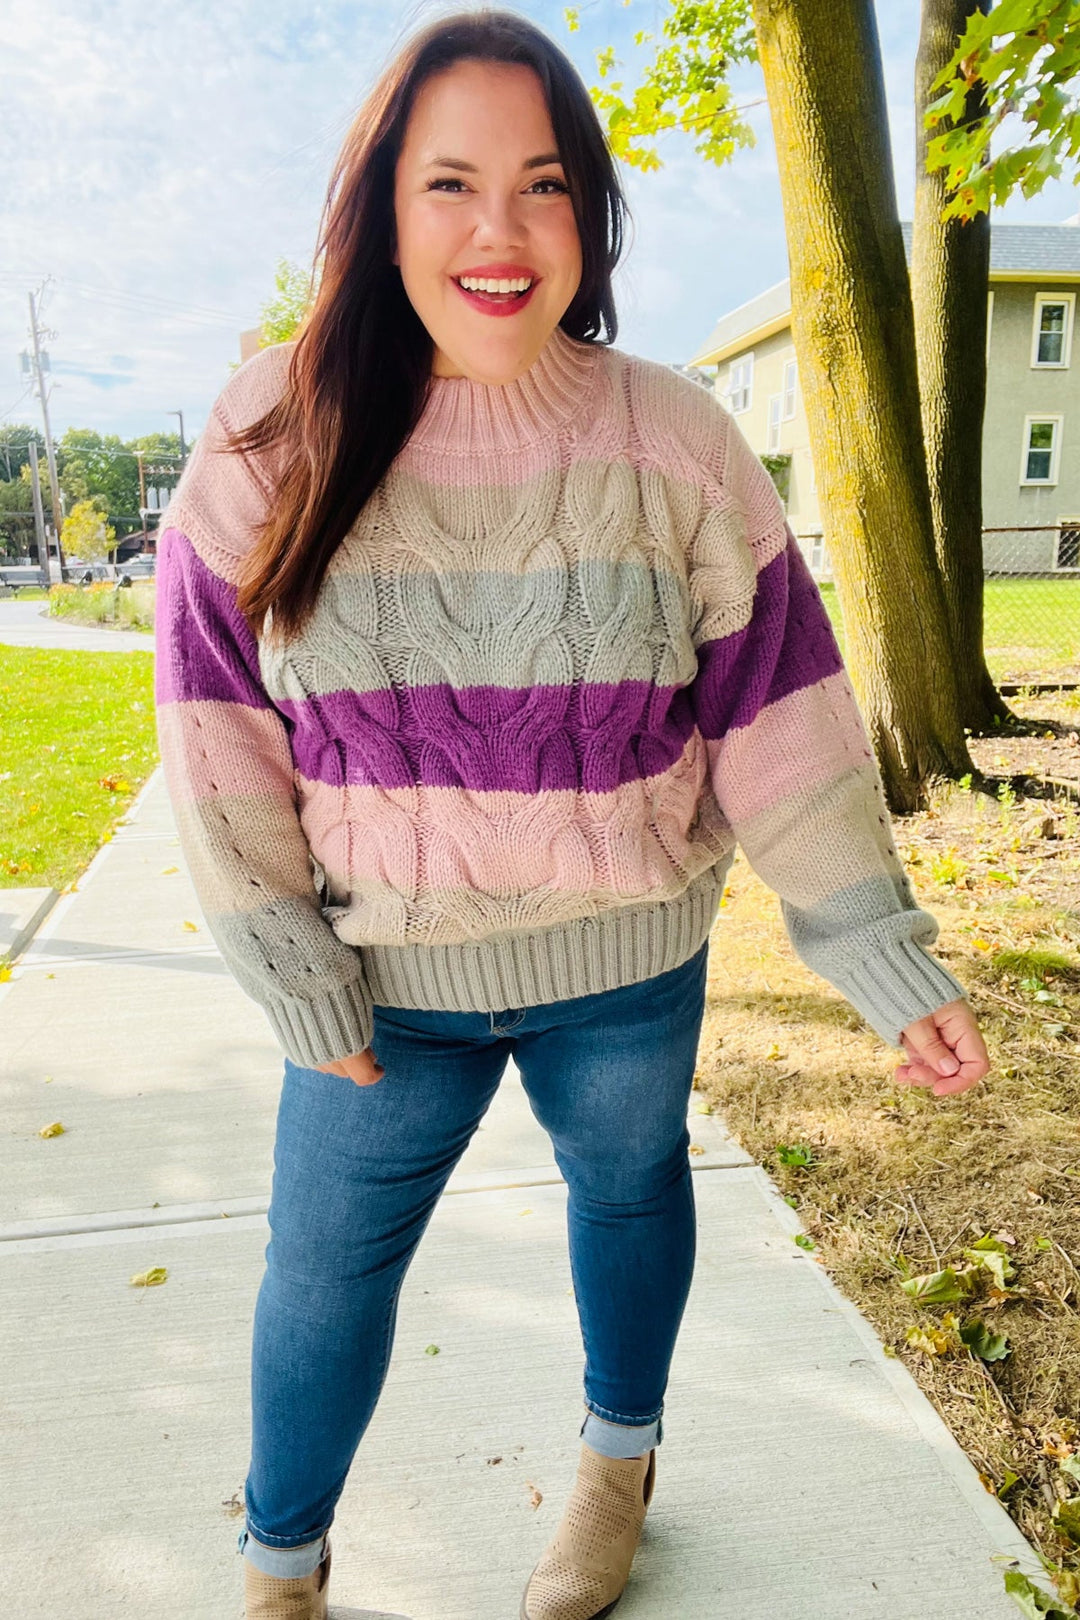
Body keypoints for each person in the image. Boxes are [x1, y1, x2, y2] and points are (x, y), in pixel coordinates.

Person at [153, 10, 991, 1619]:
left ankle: (619, 1464)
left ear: (589, 215)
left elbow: (782, 715)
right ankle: (280, 1570)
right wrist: (286, 961)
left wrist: (882, 956)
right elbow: (211, 723)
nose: (501, 231)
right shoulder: (271, 430)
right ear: (378, 207)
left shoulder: (675, 437)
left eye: (543, 185)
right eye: (450, 184)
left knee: (628, 1197)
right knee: (319, 1277)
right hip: (378, 994)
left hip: (627, 971)